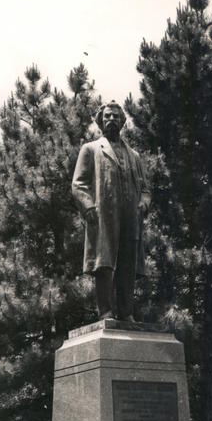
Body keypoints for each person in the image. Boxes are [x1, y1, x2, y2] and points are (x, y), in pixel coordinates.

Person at [72, 101, 150, 321]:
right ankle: (105, 311)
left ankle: (127, 313)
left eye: (116, 116)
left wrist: (143, 204)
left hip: (130, 217)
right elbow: (78, 184)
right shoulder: (91, 149)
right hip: (104, 216)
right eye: (108, 116)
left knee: (127, 264)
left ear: (123, 121)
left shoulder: (134, 155)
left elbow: (145, 188)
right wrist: (88, 207)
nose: (112, 119)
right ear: (100, 121)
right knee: (104, 264)